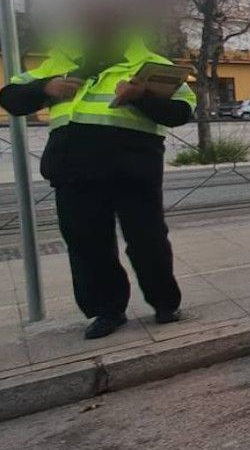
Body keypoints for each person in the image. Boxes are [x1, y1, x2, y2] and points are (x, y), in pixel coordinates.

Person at [0, 31, 196, 339]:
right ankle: (107, 310)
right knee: (86, 244)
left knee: (148, 240)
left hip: (134, 170)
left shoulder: (150, 63)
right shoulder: (61, 59)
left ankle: (165, 304)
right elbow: (11, 97)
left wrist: (141, 97)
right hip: (73, 170)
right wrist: (45, 87)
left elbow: (181, 112)